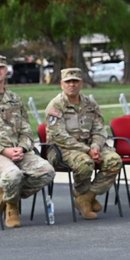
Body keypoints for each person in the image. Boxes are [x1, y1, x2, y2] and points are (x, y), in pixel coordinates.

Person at [0, 54, 56, 228]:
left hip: (18, 152)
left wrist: (22, 147)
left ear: (6, 71)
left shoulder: (15, 99)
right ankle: (12, 207)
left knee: (47, 171)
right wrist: (3, 150)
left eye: (0, 68)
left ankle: (5, 196)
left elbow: (26, 130)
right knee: (12, 175)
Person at [44, 68, 122, 219]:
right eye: (68, 82)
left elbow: (99, 129)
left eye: (75, 81)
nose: (71, 85)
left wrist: (95, 147)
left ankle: (86, 197)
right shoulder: (55, 105)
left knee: (114, 160)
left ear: (81, 84)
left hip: (90, 146)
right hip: (61, 149)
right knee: (85, 163)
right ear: (62, 84)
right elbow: (59, 136)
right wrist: (87, 150)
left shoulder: (90, 104)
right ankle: (84, 197)